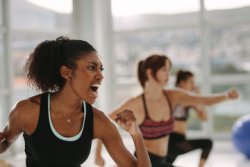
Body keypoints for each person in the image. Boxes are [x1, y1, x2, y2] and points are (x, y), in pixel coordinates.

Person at [0, 37, 151, 167]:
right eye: (92, 67)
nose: (100, 76)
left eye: (101, 69)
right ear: (66, 72)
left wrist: (136, 134)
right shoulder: (27, 111)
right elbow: (5, 142)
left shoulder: (99, 121)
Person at [95, 54, 239, 167]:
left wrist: (226, 96)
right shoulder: (137, 103)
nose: (168, 74)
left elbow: (204, 100)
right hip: (145, 162)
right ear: (150, 73)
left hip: (163, 161)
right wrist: (98, 154)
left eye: (169, 69)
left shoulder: (173, 96)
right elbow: (105, 122)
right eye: (164, 69)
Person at [166, 70, 212, 167]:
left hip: (180, 141)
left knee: (207, 143)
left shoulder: (189, 99)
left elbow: (204, 117)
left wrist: (198, 97)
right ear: (182, 83)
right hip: (170, 141)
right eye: (191, 82)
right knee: (207, 143)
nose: (193, 86)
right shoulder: (172, 96)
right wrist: (196, 98)